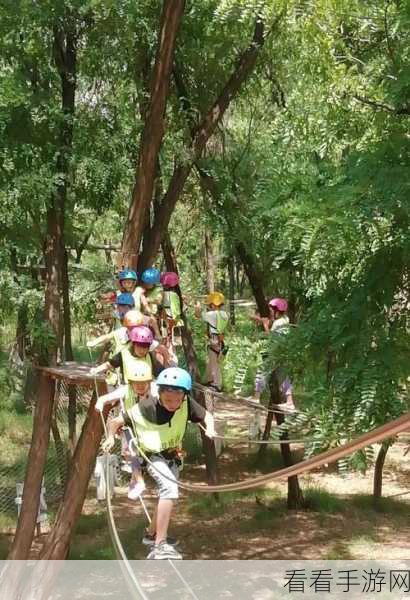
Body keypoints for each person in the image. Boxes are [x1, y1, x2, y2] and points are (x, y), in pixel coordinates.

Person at [102, 367, 216, 560]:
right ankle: (160, 545)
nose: (173, 404)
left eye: (177, 400)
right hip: (152, 457)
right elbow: (115, 422)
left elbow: (207, 417)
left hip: (173, 455)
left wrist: (210, 429)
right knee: (170, 490)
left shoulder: (187, 403)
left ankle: (150, 534)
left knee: (168, 496)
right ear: (160, 394)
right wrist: (111, 438)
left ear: (184, 396)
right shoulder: (145, 407)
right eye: (168, 399)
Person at [95, 361, 155, 500]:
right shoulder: (125, 390)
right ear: (131, 382)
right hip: (130, 425)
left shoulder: (154, 390)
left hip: (149, 426)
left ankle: (136, 480)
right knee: (130, 452)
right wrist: (100, 403)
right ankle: (138, 481)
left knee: (140, 454)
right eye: (136, 383)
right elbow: (105, 398)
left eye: (143, 383)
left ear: (149, 382)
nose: (140, 386)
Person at [252, 297, 295, 409]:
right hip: (283, 353)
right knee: (284, 376)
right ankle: (290, 401)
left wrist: (266, 326)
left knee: (262, 371)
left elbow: (271, 338)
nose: (270, 311)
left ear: (276, 310)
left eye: (272, 309)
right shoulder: (285, 320)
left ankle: (256, 397)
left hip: (275, 354)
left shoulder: (278, 323)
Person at [90, 325, 172, 383]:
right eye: (140, 346)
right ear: (133, 344)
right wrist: (97, 370)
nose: (142, 350)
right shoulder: (123, 355)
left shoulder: (150, 357)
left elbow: (161, 372)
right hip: (127, 391)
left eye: (145, 347)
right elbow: (109, 364)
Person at [195, 292, 229, 392]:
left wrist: (197, 305)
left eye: (210, 305)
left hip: (214, 341)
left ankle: (217, 385)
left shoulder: (212, 315)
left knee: (215, 364)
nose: (209, 307)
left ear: (213, 304)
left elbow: (197, 315)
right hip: (220, 341)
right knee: (212, 362)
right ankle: (208, 379)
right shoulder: (225, 314)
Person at [159, 271, 183, 355]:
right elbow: (177, 310)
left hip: (165, 319)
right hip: (174, 321)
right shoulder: (175, 295)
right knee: (173, 344)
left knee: (165, 341)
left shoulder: (162, 294)